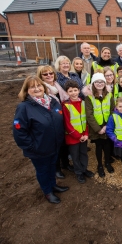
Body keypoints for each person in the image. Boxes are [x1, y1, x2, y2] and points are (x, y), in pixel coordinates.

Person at [13, 76, 68, 204]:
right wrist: (32, 147)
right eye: (32, 87)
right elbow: (19, 131)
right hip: (38, 149)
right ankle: (47, 191)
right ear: (27, 90)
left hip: (54, 145)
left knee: (52, 166)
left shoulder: (53, 102)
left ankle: (53, 185)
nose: (37, 89)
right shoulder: (24, 107)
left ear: (44, 87)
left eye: (39, 85)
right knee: (43, 170)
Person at [37, 65, 72, 179]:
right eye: (45, 74)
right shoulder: (43, 88)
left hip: (62, 116)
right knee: (55, 145)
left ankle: (65, 164)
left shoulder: (57, 85)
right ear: (41, 76)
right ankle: (57, 168)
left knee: (63, 143)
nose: (49, 76)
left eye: (51, 73)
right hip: (52, 120)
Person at [62, 80, 93, 184]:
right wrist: (77, 136)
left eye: (75, 90)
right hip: (73, 137)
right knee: (75, 155)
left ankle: (84, 169)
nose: (73, 93)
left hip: (83, 135)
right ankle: (79, 172)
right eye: (70, 91)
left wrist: (86, 134)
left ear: (79, 90)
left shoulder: (84, 103)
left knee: (83, 153)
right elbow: (67, 124)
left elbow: (86, 121)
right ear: (67, 92)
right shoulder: (66, 105)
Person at [85, 73, 115, 177]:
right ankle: (100, 165)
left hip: (107, 124)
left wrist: (107, 125)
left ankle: (107, 162)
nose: (99, 84)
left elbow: (112, 110)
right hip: (96, 127)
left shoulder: (109, 95)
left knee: (107, 145)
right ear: (93, 83)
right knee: (99, 146)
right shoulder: (89, 97)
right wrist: (98, 129)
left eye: (101, 81)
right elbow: (89, 114)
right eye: (97, 82)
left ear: (104, 83)